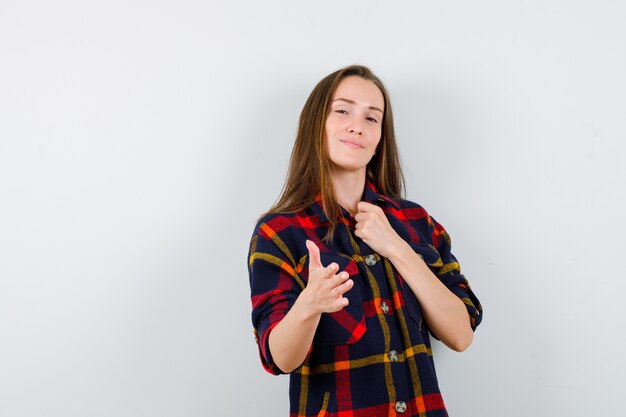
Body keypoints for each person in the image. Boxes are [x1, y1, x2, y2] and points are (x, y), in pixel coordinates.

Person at [247, 65, 482, 417]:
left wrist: (397, 248)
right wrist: (309, 305)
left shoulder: (415, 223)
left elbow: (461, 335)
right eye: (342, 110)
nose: (358, 125)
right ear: (317, 124)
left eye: (373, 118)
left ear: (380, 138)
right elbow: (279, 358)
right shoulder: (279, 232)